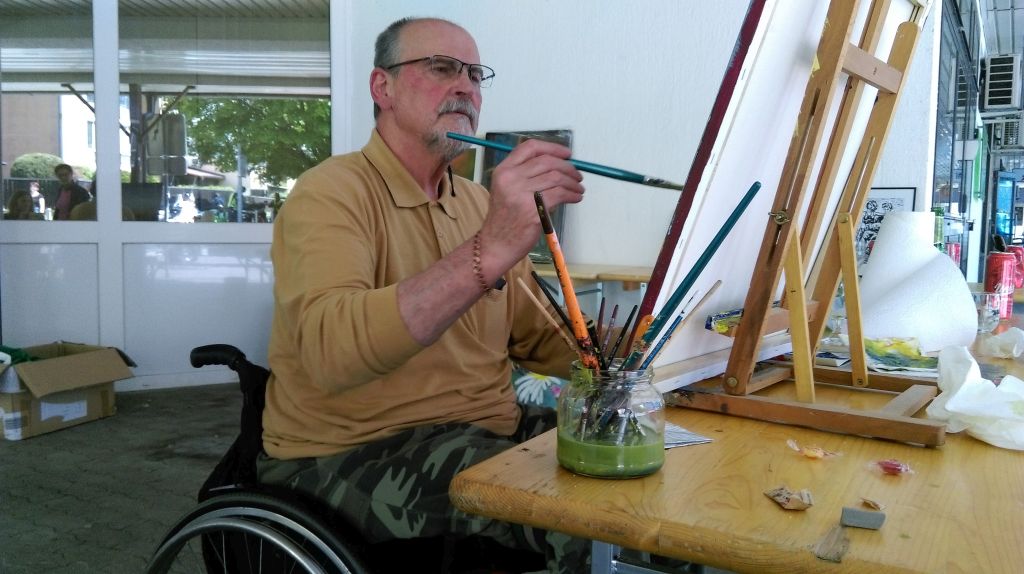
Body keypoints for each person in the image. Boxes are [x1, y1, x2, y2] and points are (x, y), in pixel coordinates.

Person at [258, 16, 588, 573]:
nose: (465, 87)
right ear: (381, 87)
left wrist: (642, 351)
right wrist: (491, 247)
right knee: (587, 519)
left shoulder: (478, 203)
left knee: (635, 459)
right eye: (440, 68)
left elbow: (541, 338)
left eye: (475, 75)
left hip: (486, 432)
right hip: (354, 451)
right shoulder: (329, 193)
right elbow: (332, 352)